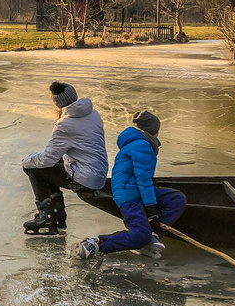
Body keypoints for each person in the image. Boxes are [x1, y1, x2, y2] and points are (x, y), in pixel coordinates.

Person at [77, 110, 185, 259]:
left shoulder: (138, 142)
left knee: (176, 198)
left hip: (134, 190)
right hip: (129, 195)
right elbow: (143, 179)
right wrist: (151, 209)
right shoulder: (142, 145)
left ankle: (153, 235)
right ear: (154, 131)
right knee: (140, 236)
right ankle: (97, 244)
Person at [22, 81, 108, 233]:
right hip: (99, 171)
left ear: (57, 102)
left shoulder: (65, 124)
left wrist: (27, 160)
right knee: (53, 163)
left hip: (85, 180)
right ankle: (56, 216)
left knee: (34, 168)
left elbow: (46, 159)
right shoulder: (93, 114)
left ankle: (47, 217)